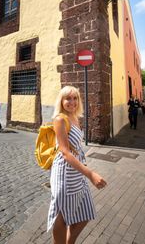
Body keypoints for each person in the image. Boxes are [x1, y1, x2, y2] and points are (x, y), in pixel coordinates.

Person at [48, 86, 106, 243]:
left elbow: (77, 148)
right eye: (68, 98)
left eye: (75, 98)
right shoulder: (60, 119)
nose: (72, 102)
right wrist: (90, 174)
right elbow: (65, 152)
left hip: (77, 170)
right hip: (64, 172)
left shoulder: (75, 117)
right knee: (62, 214)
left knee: (85, 213)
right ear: (62, 100)